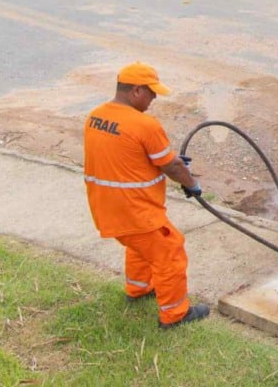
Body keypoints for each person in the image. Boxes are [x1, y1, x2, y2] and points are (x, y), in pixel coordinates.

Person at [83, 62, 210, 329]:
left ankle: (139, 288)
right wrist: (191, 183)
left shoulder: (95, 117)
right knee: (170, 251)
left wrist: (170, 161)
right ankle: (175, 315)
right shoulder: (144, 124)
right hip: (136, 210)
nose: (154, 99)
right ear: (137, 91)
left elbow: (127, 156)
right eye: (152, 93)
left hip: (106, 208)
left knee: (141, 247)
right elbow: (171, 166)